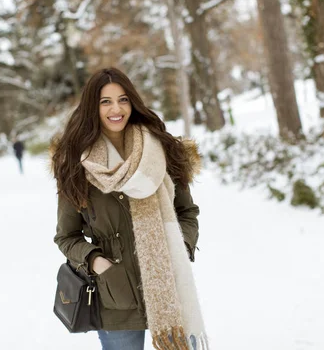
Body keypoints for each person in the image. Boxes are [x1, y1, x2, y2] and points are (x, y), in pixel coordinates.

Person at [51, 67, 208, 350]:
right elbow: (67, 236)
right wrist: (97, 263)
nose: (116, 109)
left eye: (123, 99)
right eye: (105, 101)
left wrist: (179, 248)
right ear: (92, 107)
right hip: (116, 298)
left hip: (170, 287)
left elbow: (186, 212)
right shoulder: (76, 164)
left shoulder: (161, 149)